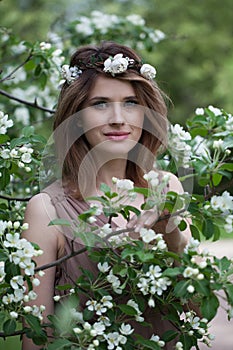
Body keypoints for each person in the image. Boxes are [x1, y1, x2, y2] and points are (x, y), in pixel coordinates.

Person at [22, 41, 192, 350]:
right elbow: (37, 339)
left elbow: (191, 313)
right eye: (100, 103)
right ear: (76, 117)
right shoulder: (46, 210)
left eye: (130, 102)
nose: (117, 118)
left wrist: (172, 234)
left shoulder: (167, 187)